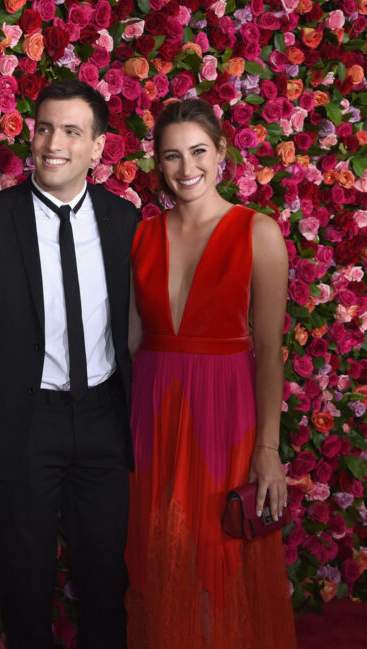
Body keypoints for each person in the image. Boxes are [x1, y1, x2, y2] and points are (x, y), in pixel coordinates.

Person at [125, 98, 296, 649]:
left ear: (222, 154)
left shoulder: (258, 232)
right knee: (161, 555)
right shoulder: (141, 236)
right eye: (171, 156)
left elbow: (270, 350)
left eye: (198, 151)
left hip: (226, 419)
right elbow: (132, 342)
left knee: (218, 556)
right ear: (157, 162)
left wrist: (268, 451)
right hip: (153, 418)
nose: (186, 168)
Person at [0, 80, 137, 649]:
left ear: (98, 148)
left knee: (104, 580)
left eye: (72, 131)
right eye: (45, 127)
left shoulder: (126, 223)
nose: (53, 143)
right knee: (24, 584)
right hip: (25, 422)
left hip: (102, 419)